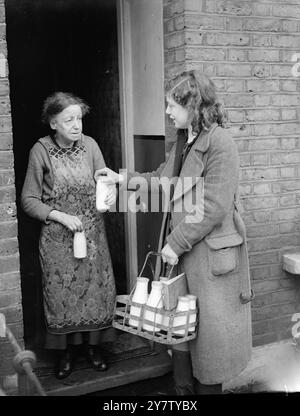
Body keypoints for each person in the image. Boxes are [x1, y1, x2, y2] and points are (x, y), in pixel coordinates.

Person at [97, 70, 253, 395]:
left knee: (210, 345)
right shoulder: (185, 139)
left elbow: (214, 205)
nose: (167, 112)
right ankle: (183, 393)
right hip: (182, 255)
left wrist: (176, 242)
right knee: (179, 329)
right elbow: (161, 180)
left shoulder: (220, 143)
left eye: (172, 105)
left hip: (208, 256)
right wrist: (121, 179)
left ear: (193, 104)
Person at [21, 92, 117, 380]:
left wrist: (109, 191)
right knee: (62, 296)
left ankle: (94, 349)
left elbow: (104, 177)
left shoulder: (90, 146)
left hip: (92, 235)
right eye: (68, 120)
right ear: (53, 123)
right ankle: (65, 354)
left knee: (97, 292)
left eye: (79, 119)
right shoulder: (41, 151)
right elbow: (29, 199)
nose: (77, 125)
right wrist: (59, 216)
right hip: (58, 239)